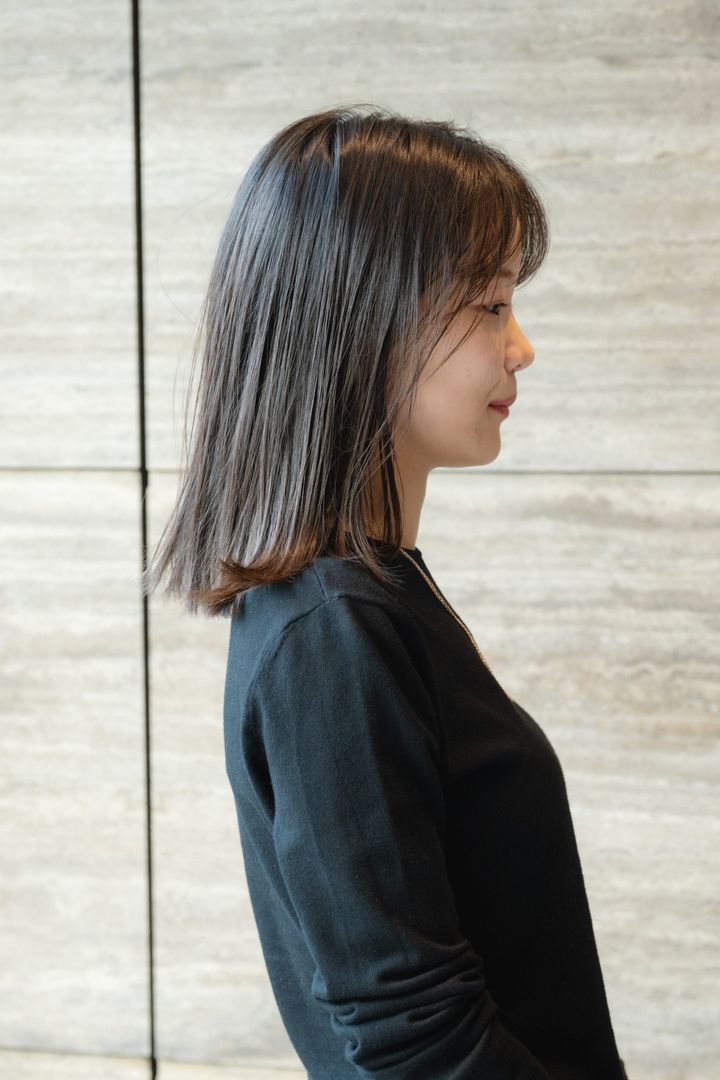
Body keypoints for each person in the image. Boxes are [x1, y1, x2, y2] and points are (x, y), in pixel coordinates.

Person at [143, 104, 629, 1078]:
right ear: (364, 320)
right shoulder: (332, 631)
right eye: (490, 305)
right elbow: (419, 1045)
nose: (521, 346)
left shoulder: (365, 598)